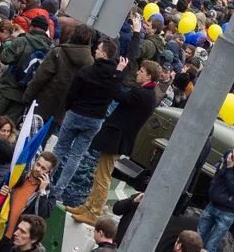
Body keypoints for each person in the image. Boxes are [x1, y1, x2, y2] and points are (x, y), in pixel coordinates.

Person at [68, 58, 161, 225]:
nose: (138, 73)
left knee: (103, 175)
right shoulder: (148, 94)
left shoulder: (142, 94)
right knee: (100, 173)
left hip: (117, 138)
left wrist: (118, 72)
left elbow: (118, 94)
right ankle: (87, 206)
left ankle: (93, 212)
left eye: (141, 71)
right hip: (119, 138)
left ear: (148, 76)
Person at [49, 36, 119, 201]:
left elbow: (72, 93)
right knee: (76, 156)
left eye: (99, 49)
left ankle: (46, 179)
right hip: (95, 120)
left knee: (60, 149)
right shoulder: (115, 77)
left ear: (104, 53)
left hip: (76, 113)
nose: (95, 50)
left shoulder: (87, 71)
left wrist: (69, 107)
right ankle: (59, 190)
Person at [24, 23, 95, 126]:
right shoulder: (90, 62)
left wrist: (28, 95)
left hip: (43, 103)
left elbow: (41, 77)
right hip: (63, 110)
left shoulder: (59, 52)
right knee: (42, 139)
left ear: (74, 35)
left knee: (28, 136)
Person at [0, 151, 57, 248]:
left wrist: (42, 191)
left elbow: (43, 215)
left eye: (43, 168)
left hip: (14, 241)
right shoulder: (19, 176)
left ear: (49, 172)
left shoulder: (49, 192)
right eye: (38, 164)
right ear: (35, 161)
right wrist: (1, 189)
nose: (38, 169)